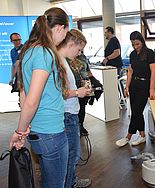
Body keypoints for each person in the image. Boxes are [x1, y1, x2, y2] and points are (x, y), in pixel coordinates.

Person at [8, 7, 70, 188]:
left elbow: (24, 93)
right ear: (59, 28)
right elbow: (32, 100)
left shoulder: (28, 51)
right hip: (51, 132)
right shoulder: (45, 53)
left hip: (38, 131)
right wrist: (20, 131)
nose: (64, 37)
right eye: (65, 32)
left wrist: (23, 127)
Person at [57, 29, 92, 188]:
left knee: (71, 154)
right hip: (66, 115)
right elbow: (59, 92)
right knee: (72, 155)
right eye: (79, 50)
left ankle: (71, 180)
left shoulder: (63, 61)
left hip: (70, 113)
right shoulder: (58, 62)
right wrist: (78, 92)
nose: (79, 54)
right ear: (71, 44)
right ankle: (69, 183)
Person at [115, 31, 155, 147]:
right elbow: (130, 71)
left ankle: (128, 136)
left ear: (142, 41)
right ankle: (142, 136)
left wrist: (151, 89)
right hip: (134, 85)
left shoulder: (149, 53)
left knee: (136, 112)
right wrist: (126, 86)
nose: (135, 47)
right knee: (136, 112)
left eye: (137, 44)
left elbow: (153, 72)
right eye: (133, 44)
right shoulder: (133, 54)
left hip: (144, 86)